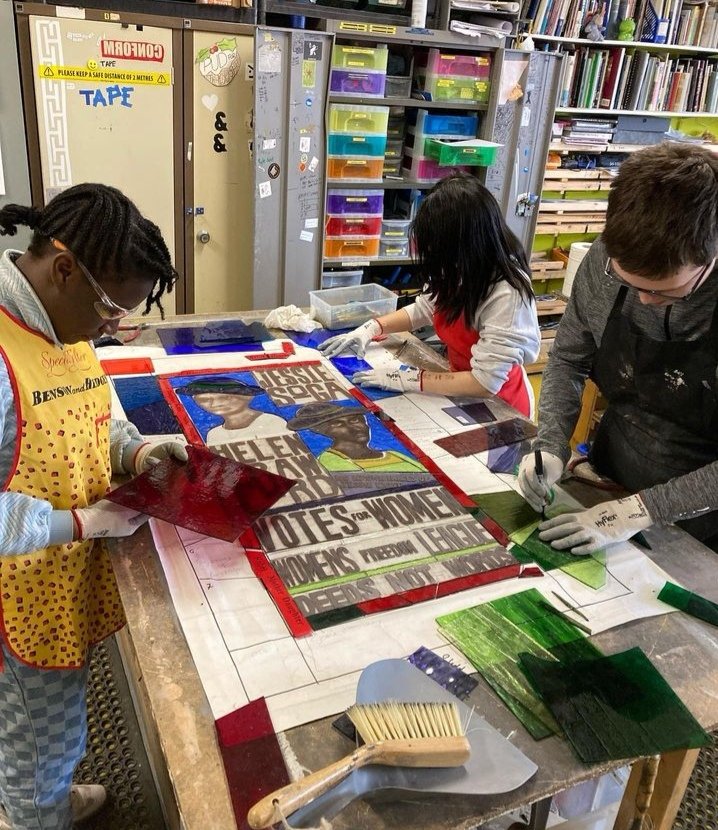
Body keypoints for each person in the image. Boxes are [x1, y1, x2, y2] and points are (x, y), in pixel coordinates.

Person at [0, 183, 187, 830]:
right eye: (111, 309)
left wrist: (138, 455)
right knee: (28, 737)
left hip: (57, 584)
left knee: (55, 719)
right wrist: (79, 522)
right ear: (62, 268)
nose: (112, 327)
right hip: (13, 601)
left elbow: (92, 413)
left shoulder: (63, 321)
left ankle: (46, 790)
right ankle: (34, 813)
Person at [517, 143, 718, 555]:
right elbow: (570, 357)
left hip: (704, 519)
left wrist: (637, 512)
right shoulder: (604, 260)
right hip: (610, 473)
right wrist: (552, 444)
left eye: (665, 290)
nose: (643, 300)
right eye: (629, 282)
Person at [318, 173, 541, 418]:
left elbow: (484, 383)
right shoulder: (460, 266)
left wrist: (412, 378)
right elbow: (425, 308)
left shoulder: (507, 293)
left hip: (501, 407)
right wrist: (372, 327)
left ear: (463, 244)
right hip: (457, 387)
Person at [286, 402, 426, 473]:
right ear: (323, 431)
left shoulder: (394, 455)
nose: (354, 427)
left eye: (355, 420)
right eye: (338, 424)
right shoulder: (330, 461)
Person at [175, 376, 286, 443]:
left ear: (248, 397)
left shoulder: (272, 422)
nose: (215, 404)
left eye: (224, 397)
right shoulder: (214, 434)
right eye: (204, 400)